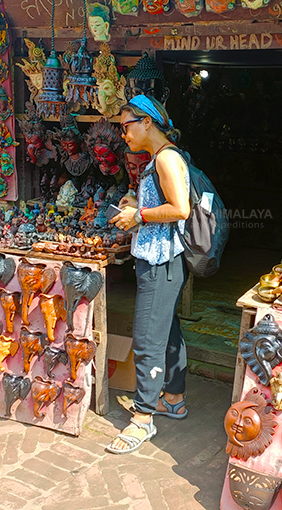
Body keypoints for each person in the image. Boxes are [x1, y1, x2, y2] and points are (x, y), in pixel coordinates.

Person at [106, 94, 190, 454]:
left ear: (147, 122)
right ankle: (173, 399)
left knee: (147, 341)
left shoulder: (167, 158)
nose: (123, 134)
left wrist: (138, 216)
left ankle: (142, 419)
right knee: (166, 334)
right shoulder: (161, 158)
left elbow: (180, 209)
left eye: (126, 126)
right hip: (163, 262)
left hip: (160, 263)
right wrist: (137, 205)